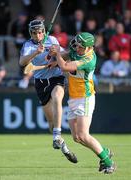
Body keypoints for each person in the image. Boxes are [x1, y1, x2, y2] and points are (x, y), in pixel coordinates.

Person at [50, 32, 116, 174]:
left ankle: (108, 162)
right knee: (77, 138)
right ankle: (104, 151)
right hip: (73, 97)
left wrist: (57, 55)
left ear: (88, 47)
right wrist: (56, 59)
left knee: (84, 134)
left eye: (80, 47)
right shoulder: (78, 49)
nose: (77, 48)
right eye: (76, 45)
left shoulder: (89, 59)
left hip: (84, 98)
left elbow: (66, 67)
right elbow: (68, 54)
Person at [19, 19, 77, 163]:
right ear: (30, 33)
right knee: (50, 123)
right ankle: (62, 144)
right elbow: (22, 63)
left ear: (44, 31)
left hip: (56, 77)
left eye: (40, 32)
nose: (38, 36)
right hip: (40, 82)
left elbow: (66, 56)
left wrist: (56, 55)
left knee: (57, 97)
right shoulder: (28, 45)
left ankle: (57, 135)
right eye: (34, 33)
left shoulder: (52, 40)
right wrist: (35, 53)